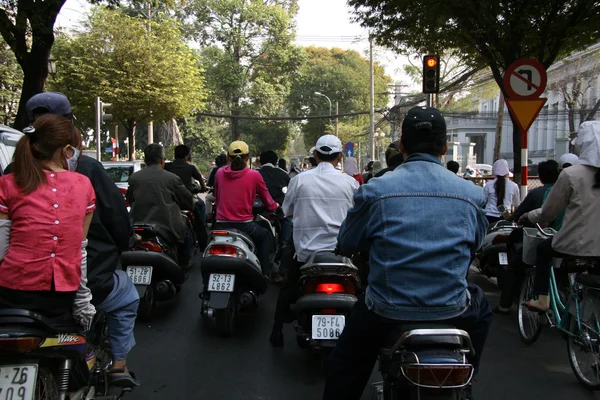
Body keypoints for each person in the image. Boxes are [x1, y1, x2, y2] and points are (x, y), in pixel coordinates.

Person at [322, 107, 492, 400]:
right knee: (482, 308)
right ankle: (465, 374)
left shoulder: (375, 190)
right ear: (444, 147)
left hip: (385, 310)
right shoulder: (471, 193)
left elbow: (348, 244)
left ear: (402, 146)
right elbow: (475, 245)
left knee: (345, 365)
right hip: (452, 309)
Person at [4, 92, 139, 386]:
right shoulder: (84, 178)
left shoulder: (10, 174)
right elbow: (84, 245)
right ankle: (119, 365)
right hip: (74, 284)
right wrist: (125, 243)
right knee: (127, 295)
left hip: (12, 288)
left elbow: (3, 241)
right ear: (68, 140)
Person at [270, 134, 359, 347]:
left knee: (288, 286)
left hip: (306, 256)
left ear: (316, 155)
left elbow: (287, 211)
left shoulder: (299, 180)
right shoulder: (351, 183)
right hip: (343, 257)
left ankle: (276, 331)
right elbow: (359, 216)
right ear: (339, 157)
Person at [520, 121, 600, 312]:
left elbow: (548, 212)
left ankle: (542, 299)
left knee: (544, 250)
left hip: (574, 244)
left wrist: (528, 216)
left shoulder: (571, 174)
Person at [493, 160, 560, 315]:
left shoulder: (541, 193)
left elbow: (542, 214)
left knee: (515, 267)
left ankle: (505, 304)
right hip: (574, 240)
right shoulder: (571, 190)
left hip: (544, 237)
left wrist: (522, 216)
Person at [214, 141, 278, 276]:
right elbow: (268, 201)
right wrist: (276, 206)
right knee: (265, 237)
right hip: (245, 226)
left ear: (228, 157)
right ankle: (264, 273)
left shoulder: (219, 173)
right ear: (247, 157)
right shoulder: (254, 175)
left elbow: (217, 196)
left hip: (220, 225)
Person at [127, 144, 194, 267]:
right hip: (167, 227)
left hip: (138, 225)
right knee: (186, 233)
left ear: (146, 160)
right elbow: (187, 199)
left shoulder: (134, 178)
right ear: (162, 159)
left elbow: (130, 199)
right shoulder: (172, 178)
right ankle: (184, 265)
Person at [165, 144, 208, 247]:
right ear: (186, 156)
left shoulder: (168, 166)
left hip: (169, 200)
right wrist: (203, 188)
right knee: (201, 206)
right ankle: (202, 240)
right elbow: (200, 179)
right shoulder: (190, 167)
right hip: (186, 200)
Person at [258, 150, 292, 247]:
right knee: (287, 220)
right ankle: (284, 243)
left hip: (258, 210)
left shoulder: (255, 173)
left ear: (261, 161)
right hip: (277, 210)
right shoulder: (283, 174)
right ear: (275, 161)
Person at [483, 159, 520, 224]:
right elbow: (516, 204)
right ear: (507, 170)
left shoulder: (488, 185)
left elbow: (483, 201)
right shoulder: (514, 186)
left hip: (489, 217)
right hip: (505, 218)